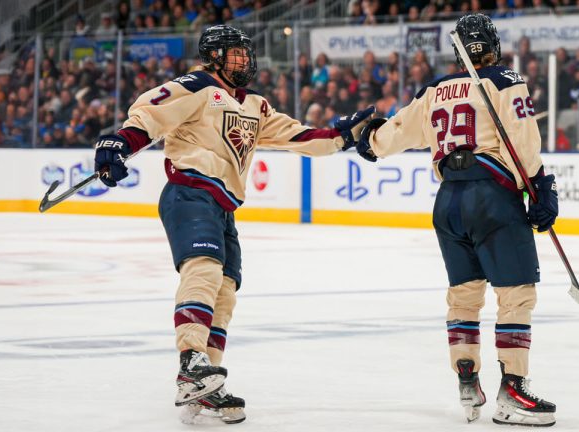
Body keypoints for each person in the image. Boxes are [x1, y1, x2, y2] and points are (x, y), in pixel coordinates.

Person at [92, 24, 373, 423]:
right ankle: (191, 362)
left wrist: (343, 135)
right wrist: (122, 141)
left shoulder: (255, 105)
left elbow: (298, 135)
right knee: (203, 271)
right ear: (215, 56)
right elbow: (152, 110)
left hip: (223, 206)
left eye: (246, 53)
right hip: (189, 191)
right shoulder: (198, 85)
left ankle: (206, 384)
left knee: (224, 293)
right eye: (236, 53)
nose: (246, 60)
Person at [356, 13, 558, 427]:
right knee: (516, 293)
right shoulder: (506, 79)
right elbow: (524, 141)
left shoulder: (435, 89)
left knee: (464, 294)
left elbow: (393, 134)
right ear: (493, 46)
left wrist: (371, 141)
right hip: (492, 196)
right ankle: (513, 391)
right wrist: (538, 187)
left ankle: (467, 377)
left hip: (448, 200)